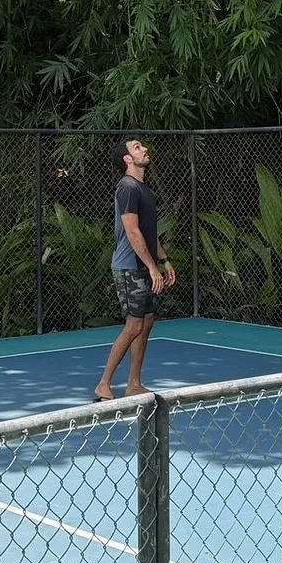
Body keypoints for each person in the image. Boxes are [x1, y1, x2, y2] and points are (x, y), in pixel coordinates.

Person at [94, 136, 175, 400]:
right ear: (127, 159)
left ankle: (134, 384)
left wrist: (163, 260)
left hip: (145, 265)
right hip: (129, 267)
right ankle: (103, 384)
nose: (144, 149)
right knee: (133, 325)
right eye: (137, 148)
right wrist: (151, 267)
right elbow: (132, 231)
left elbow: (148, 232)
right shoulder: (127, 187)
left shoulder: (142, 188)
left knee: (146, 321)